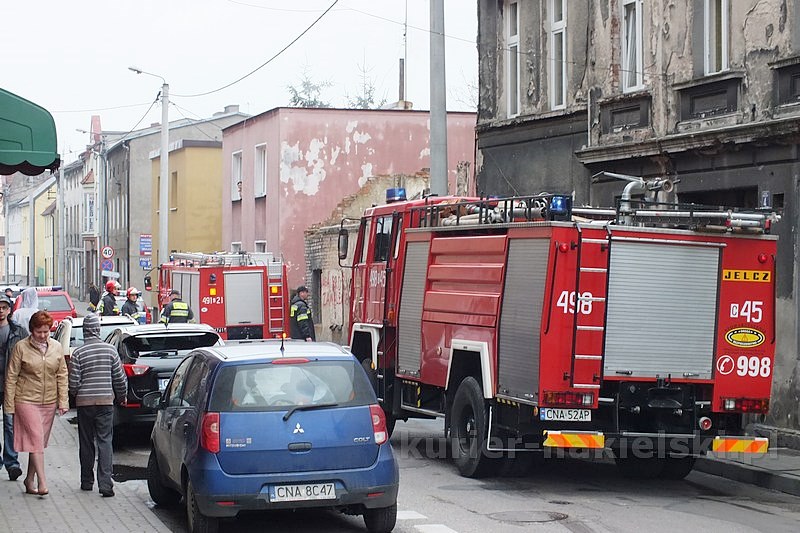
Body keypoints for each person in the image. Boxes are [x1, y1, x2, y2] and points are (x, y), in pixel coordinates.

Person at [3, 311, 69, 496]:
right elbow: (11, 377)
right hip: (26, 400)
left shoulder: (56, 347)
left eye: (46, 332)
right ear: (31, 330)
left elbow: (62, 375)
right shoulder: (21, 347)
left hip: (48, 402)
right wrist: (9, 406)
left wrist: (63, 401)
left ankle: (29, 479)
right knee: (36, 440)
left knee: (37, 443)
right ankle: (43, 482)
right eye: (39, 332)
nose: (42, 335)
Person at [69, 314, 127, 497]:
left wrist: (77, 395)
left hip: (85, 405)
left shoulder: (78, 353)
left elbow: (73, 383)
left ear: (86, 331)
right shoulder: (110, 351)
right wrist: (122, 396)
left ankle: (86, 481)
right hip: (105, 403)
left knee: (86, 442)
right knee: (105, 441)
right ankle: (105, 485)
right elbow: (119, 378)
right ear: (98, 330)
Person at [0, 295, 26, 481]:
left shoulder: (19, 332)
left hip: (11, 385)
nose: (0, 310)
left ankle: (12, 463)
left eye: (4, 307)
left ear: (9, 310)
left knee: (10, 425)